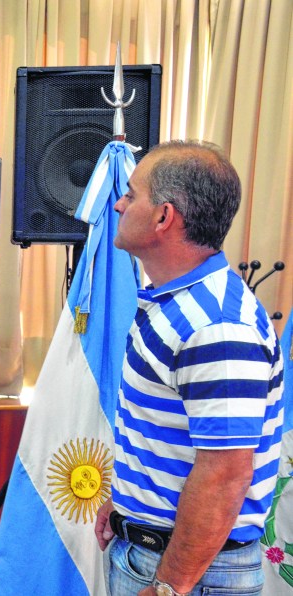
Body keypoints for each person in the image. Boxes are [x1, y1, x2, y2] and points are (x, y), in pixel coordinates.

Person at [93, 140, 285, 595]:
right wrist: (128, 502)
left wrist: (169, 586)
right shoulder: (174, 302)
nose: (119, 204)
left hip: (191, 574)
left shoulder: (216, 326)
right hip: (152, 553)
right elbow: (166, 429)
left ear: (164, 217)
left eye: (132, 195)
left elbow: (224, 476)